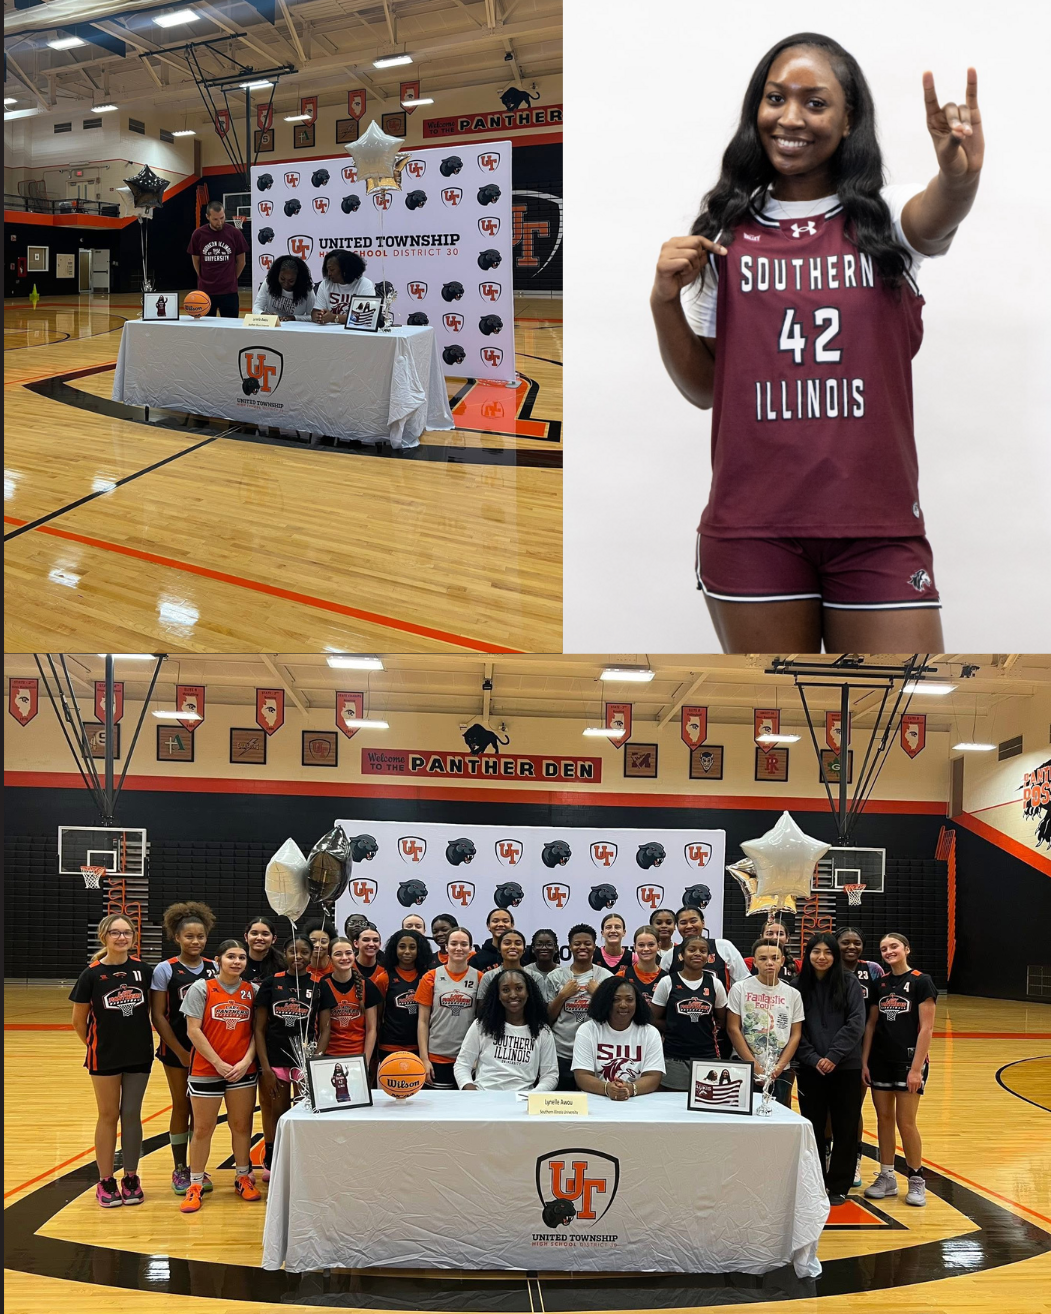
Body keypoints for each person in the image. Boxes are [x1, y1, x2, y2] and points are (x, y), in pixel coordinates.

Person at [652, 37, 982, 652]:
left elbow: (936, 215)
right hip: (753, 530)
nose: (791, 118)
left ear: (848, 118)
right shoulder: (725, 234)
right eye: (776, 98)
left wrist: (959, 179)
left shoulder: (882, 223)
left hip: (877, 527)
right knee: (784, 714)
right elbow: (704, 389)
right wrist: (662, 302)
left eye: (815, 102)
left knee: (904, 701)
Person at [70, 914, 154, 1208]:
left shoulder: (144, 971)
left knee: (131, 1113)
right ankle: (106, 1180)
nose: (121, 937)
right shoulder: (91, 975)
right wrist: (97, 1045)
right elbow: (78, 1021)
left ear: (133, 937)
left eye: (127, 932)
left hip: (139, 1053)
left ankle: (131, 1177)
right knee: (108, 1115)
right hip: (104, 1055)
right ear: (104, 936)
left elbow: (152, 1012)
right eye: (115, 933)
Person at [180, 939, 260, 1213]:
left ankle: (242, 1177)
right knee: (203, 1129)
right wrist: (218, 1063)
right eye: (231, 956)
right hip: (206, 1070)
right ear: (218, 961)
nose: (237, 962)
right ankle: (195, 1184)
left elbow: (256, 1032)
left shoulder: (252, 991)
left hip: (242, 1070)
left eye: (241, 957)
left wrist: (246, 1061)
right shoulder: (201, 988)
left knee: (241, 1126)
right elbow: (193, 1030)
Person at [861, 931, 938, 1207]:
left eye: (894, 946)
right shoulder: (879, 983)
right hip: (880, 1061)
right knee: (883, 1119)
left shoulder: (921, 981)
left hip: (908, 1063)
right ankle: (887, 1176)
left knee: (906, 1122)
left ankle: (916, 1179)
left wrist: (916, 1069)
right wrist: (865, 1061)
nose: (889, 952)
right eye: (884, 949)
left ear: (906, 949)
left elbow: (927, 1028)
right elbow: (871, 1024)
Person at [150, 901, 217, 1194]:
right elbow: (158, 1016)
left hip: (207, 1051)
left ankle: (197, 1168)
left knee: (200, 1111)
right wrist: (179, 1051)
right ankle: (180, 1168)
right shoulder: (165, 970)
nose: (195, 941)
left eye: (200, 936)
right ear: (176, 937)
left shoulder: (215, 968)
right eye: (189, 936)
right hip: (177, 1050)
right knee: (181, 1105)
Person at [794, 933, 867, 1204]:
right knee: (812, 1125)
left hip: (845, 1066)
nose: (822, 957)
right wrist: (813, 1058)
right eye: (816, 951)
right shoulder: (797, 986)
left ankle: (839, 1185)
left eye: (828, 952)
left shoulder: (849, 982)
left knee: (845, 1126)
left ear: (835, 956)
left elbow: (856, 1022)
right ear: (808, 955)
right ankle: (814, 1181)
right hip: (810, 1068)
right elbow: (794, 1028)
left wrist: (834, 1055)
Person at [253, 935, 314, 1181]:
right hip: (275, 1059)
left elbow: (325, 1027)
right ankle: (272, 1156)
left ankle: (301, 1157)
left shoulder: (317, 985)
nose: (298, 956)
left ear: (311, 956)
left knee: (301, 1112)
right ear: (285, 954)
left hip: (302, 1063)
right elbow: (259, 1029)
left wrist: (313, 1061)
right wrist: (265, 1068)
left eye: (304, 952)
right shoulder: (271, 983)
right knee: (276, 1112)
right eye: (292, 951)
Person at [726, 937, 804, 1106]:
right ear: (754, 962)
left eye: (775, 958)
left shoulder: (793, 994)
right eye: (762, 958)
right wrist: (755, 1067)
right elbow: (733, 1028)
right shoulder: (740, 988)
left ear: (782, 961)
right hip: (745, 1066)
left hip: (780, 1071)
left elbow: (795, 1034)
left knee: (777, 1115)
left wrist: (778, 1068)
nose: (769, 963)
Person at [455, 969, 558, 1092]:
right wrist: (471, 1090)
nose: (513, 995)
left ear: (528, 992)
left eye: (519, 988)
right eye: (505, 990)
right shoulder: (482, 1025)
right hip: (483, 1096)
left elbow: (550, 1075)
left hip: (523, 1098)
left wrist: (532, 1095)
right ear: (498, 995)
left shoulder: (542, 1031)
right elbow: (462, 1064)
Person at [838, 926, 885, 1185]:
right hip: (831, 1047)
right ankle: (829, 1155)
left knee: (853, 1107)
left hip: (861, 1049)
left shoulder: (873, 970)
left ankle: (853, 1160)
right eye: (845, 942)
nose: (851, 947)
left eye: (856, 942)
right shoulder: (828, 967)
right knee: (830, 1109)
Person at [650, 934, 728, 1088]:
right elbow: (654, 1018)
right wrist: (675, 1027)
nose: (698, 953)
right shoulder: (667, 982)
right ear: (681, 955)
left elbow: (722, 1019)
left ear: (708, 957)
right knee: (673, 1099)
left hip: (707, 1055)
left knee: (706, 1097)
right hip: (673, 1056)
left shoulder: (715, 984)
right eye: (692, 950)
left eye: (703, 951)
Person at [572, 977, 666, 1099]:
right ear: (605, 1001)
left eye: (629, 999)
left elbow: (653, 1076)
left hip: (637, 1100)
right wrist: (607, 1088)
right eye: (616, 999)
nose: (623, 1005)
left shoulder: (650, 1032)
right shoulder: (587, 1030)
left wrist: (630, 1089)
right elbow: (582, 1076)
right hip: (596, 1099)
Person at [546, 924, 613, 1090]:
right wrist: (563, 995)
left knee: (593, 1101)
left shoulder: (606, 977)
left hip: (595, 1053)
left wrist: (598, 994)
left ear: (595, 946)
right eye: (577, 944)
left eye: (587, 943)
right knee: (563, 1102)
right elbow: (548, 1017)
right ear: (570, 947)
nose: (582, 947)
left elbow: (613, 1017)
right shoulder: (556, 977)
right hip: (561, 1053)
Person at [415, 927, 482, 1088]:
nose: (459, 948)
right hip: (437, 1056)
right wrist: (424, 1058)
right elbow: (423, 1021)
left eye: (464, 944)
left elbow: (482, 1022)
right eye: (454, 943)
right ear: (446, 947)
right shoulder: (430, 977)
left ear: (470, 948)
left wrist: (478, 1057)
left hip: (467, 1058)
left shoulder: (480, 978)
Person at [315, 937, 382, 1064]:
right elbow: (321, 1029)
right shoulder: (322, 985)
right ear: (329, 959)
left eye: (348, 953)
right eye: (338, 954)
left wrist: (365, 1062)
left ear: (354, 955)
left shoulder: (367, 985)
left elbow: (371, 1029)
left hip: (358, 1056)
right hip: (328, 1056)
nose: (344, 958)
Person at [187, 200, 247, 318]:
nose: (219, 222)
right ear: (207, 217)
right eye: (215, 219)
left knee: (230, 326)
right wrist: (202, 276)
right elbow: (195, 260)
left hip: (229, 291)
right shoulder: (198, 234)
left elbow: (241, 261)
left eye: (222, 218)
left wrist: (232, 278)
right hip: (206, 291)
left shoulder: (235, 233)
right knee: (207, 326)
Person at [378, 929, 433, 1057]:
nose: (407, 951)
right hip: (390, 1045)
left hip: (420, 1045)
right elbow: (378, 1016)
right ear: (394, 949)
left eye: (412, 947)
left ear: (420, 950)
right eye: (402, 947)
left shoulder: (428, 977)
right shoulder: (384, 978)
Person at [663, 906, 748, 988]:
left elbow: (743, 982)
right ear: (677, 926)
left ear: (703, 923)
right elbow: (661, 986)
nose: (689, 926)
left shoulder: (723, 946)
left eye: (693, 921)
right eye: (683, 923)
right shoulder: (670, 955)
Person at [312, 250, 376, 325]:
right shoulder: (325, 284)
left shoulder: (364, 284)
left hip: (356, 330)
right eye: (327, 270)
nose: (329, 274)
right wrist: (320, 316)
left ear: (345, 269)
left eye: (332, 270)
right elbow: (315, 312)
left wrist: (334, 318)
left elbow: (366, 317)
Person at [252, 254, 315, 321]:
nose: (286, 284)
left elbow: (312, 316)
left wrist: (294, 318)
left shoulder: (306, 289)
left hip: (295, 326)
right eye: (282, 279)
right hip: (272, 325)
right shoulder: (269, 282)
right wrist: (264, 314)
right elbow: (256, 308)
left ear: (298, 279)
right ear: (277, 275)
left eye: (291, 281)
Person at [618, 925, 668, 1005]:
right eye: (641, 945)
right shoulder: (622, 976)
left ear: (659, 946)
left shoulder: (667, 979)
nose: (646, 949)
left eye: (651, 944)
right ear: (634, 947)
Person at [476, 927, 527, 1002]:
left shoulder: (534, 976)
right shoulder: (489, 977)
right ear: (499, 949)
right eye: (507, 943)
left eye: (518, 943)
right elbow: (482, 1005)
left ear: (524, 950)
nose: (513, 947)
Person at [242, 916, 285, 988]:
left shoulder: (284, 964)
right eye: (254, 933)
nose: (259, 938)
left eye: (265, 934)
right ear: (246, 937)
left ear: (274, 939)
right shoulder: (237, 963)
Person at [353, 926, 389, 998]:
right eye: (366, 940)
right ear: (356, 943)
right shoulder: (347, 968)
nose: (371, 944)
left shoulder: (386, 970)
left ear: (380, 944)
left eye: (375, 940)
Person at [525, 928, 561, 998]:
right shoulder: (526, 972)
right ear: (533, 949)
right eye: (539, 944)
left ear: (556, 948)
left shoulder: (563, 973)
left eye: (549, 944)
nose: (544, 948)